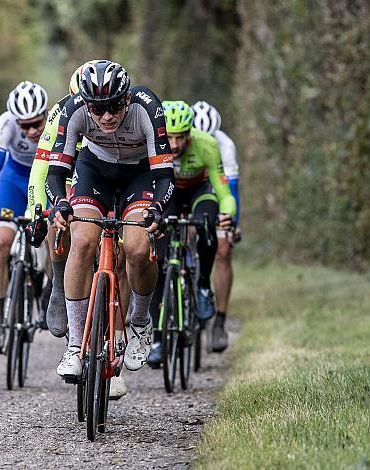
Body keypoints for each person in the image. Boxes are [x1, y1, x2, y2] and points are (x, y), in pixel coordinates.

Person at [46, 60, 175, 399]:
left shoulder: (148, 108)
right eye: (98, 109)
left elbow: (164, 178)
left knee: (136, 247)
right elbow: (56, 174)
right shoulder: (72, 109)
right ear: (86, 104)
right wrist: (60, 203)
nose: (106, 117)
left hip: (140, 175)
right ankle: (75, 346)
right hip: (95, 171)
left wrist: (158, 210)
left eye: (114, 106)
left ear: (127, 98)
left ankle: (141, 322)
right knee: (83, 239)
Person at [146, 100, 235, 367]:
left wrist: (227, 214)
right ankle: (159, 339)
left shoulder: (206, 144)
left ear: (189, 133)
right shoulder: (153, 144)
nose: (174, 144)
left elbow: (224, 191)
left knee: (207, 225)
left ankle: (204, 286)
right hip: (168, 194)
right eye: (170, 137)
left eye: (181, 137)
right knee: (157, 261)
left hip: (199, 192)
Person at [26, 60, 97, 337]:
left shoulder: (116, 115)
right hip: (69, 170)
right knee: (58, 219)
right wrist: (36, 210)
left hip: (104, 170)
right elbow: (41, 167)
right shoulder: (60, 113)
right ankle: (58, 283)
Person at [0, 81, 48, 353]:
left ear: (45, 115)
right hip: (14, 179)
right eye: (24, 125)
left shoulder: (56, 121)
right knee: (0, 244)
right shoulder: (6, 122)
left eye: (36, 124)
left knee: (53, 239)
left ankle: (47, 291)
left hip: (44, 177)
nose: (30, 131)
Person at [192, 100, 240, 352]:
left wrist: (232, 223)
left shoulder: (224, 145)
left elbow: (231, 189)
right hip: (190, 190)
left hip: (215, 190)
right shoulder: (181, 142)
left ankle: (219, 321)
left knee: (223, 250)